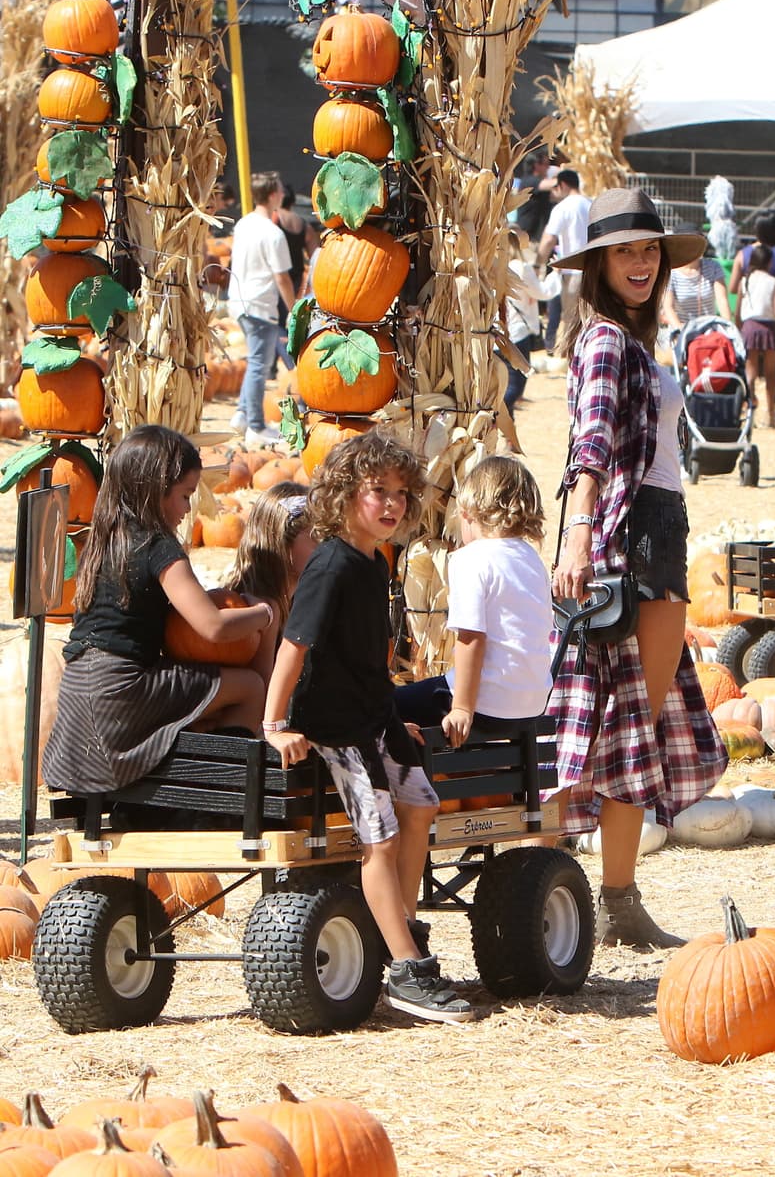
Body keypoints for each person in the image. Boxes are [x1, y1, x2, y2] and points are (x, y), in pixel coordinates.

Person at [549, 186, 727, 949]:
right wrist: (581, 531)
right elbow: (591, 442)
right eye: (626, 251)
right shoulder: (605, 343)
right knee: (620, 725)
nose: (642, 263)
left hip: (659, 532)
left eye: (649, 250)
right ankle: (574, 889)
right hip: (633, 540)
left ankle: (612, 897)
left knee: (633, 728)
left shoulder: (630, 340)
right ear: (597, 264)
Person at [263, 431, 473, 1023]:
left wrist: (389, 712)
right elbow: (293, 646)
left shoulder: (372, 561)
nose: (391, 505)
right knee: (378, 840)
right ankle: (407, 971)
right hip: (335, 728)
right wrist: (276, 723)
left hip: (374, 716)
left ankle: (398, 929)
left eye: (401, 494)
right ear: (344, 495)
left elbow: (365, 654)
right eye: (376, 491)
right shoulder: (331, 564)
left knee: (421, 803)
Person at [42, 426, 273, 795]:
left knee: (198, 696)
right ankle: (216, 792)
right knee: (249, 687)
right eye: (185, 496)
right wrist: (265, 614)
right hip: (122, 692)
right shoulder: (157, 545)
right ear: (154, 489)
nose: (187, 510)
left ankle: (171, 779)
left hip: (77, 695)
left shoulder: (103, 539)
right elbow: (212, 626)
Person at [394, 456, 552, 743]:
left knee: (388, 706)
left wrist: (462, 708)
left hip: (485, 707)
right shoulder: (532, 560)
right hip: (531, 707)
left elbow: (471, 637)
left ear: (467, 514)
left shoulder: (471, 558)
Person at [226, 482, 316, 696]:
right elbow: (266, 688)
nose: (325, 548)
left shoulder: (297, 600)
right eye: (315, 537)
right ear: (282, 541)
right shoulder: (261, 605)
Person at [228, 171, 295, 446]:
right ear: (272, 195)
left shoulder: (243, 224)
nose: (283, 194)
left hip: (238, 299)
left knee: (255, 361)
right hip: (260, 304)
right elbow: (282, 276)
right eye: (279, 190)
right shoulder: (274, 234)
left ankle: (243, 413)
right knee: (259, 364)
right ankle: (255, 425)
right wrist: (293, 308)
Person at [502, 229, 557, 412]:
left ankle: (510, 438)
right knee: (516, 386)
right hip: (516, 333)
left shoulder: (492, 266)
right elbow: (542, 292)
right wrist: (556, 273)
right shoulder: (521, 267)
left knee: (502, 386)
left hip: (494, 333)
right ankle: (495, 416)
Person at [538, 168, 591, 353]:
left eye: (556, 187)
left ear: (563, 185)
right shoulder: (591, 204)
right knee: (591, 320)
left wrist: (538, 263)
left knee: (571, 322)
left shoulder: (563, 207)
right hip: (592, 271)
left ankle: (574, 364)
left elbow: (548, 239)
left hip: (572, 272)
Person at [270, 184, 318, 377]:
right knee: (289, 320)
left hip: (278, 275)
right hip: (296, 275)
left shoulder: (274, 219)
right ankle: (277, 364)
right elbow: (313, 252)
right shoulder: (302, 223)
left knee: (277, 322)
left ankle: (289, 366)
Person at [735, 243, 775, 427]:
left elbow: (738, 311)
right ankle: (771, 415)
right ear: (769, 262)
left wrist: (739, 328)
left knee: (750, 371)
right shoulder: (773, 282)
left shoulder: (745, 280)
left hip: (749, 326)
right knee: (770, 373)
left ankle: (749, 413)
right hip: (769, 328)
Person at [661, 226, 730, 328]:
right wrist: (680, 330)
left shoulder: (713, 267)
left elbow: (722, 300)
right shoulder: (670, 273)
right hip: (680, 332)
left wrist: (728, 326)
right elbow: (668, 307)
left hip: (709, 331)